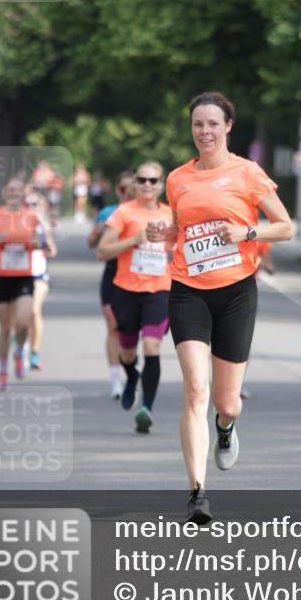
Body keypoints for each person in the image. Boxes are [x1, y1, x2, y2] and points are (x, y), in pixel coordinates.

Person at [146, 92, 293, 523]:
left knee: (227, 402)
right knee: (196, 389)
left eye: (212, 124)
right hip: (188, 289)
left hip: (236, 293)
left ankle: (225, 429)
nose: (204, 132)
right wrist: (164, 233)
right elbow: (183, 230)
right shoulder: (177, 179)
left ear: (228, 126)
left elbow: (284, 227)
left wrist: (246, 233)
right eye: (197, 125)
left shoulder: (248, 173)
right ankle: (197, 492)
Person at [97, 162, 174, 432]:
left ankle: (146, 409)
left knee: (152, 347)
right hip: (126, 291)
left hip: (159, 290)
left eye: (153, 181)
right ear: (135, 184)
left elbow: (181, 247)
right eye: (142, 180)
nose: (147, 185)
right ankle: (131, 378)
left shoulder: (171, 214)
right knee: (127, 352)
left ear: (161, 184)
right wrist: (134, 240)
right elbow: (102, 251)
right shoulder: (123, 212)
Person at [0, 177, 48, 390]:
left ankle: (19, 351)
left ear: (22, 195)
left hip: (23, 277)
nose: (13, 193)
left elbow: (42, 243)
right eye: (10, 190)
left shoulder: (31, 217)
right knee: (5, 327)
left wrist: (37, 243)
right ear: (4, 193)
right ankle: (3, 369)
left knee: (23, 322)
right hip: (1, 277)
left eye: (17, 190)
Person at [87, 169, 135, 399]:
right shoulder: (107, 212)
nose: (126, 193)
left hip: (137, 274)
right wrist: (97, 233)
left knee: (132, 330)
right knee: (113, 326)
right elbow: (91, 244)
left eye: (130, 188)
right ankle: (116, 380)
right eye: (122, 188)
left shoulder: (144, 212)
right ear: (117, 190)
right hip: (112, 272)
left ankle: (130, 368)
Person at [25, 190, 57, 371]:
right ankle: (20, 342)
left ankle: (34, 352)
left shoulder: (43, 225)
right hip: (19, 275)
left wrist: (44, 237)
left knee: (35, 311)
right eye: (28, 204)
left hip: (39, 274)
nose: (31, 208)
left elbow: (52, 251)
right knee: (21, 316)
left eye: (35, 204)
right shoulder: (17, 222)